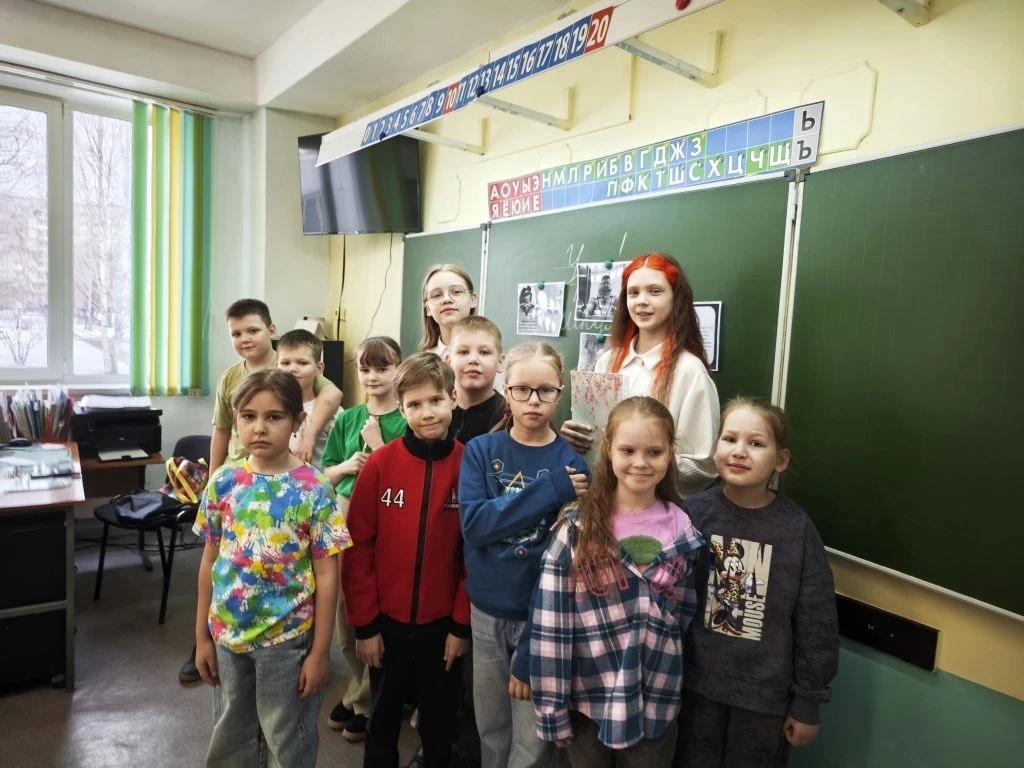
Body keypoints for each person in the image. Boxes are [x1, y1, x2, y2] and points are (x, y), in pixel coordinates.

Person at [530, 396, 704, 767]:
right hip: (588, 700)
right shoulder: (577, 527)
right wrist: (552, 709)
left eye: (654, 452)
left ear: (670, 454)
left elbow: (684, 613)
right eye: (628, 450)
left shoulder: (682, 527)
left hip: (654, 700)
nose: (640, 462)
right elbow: (551, 625)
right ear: (608, 449)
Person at [192, 369, 351, 768]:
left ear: (297, 421)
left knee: (287, 735)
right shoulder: (223, 482)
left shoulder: (314, 487)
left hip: (288, 641)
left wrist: (320, 653)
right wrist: (201, 637)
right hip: (228, 635)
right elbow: (210, 560)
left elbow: (327, 575)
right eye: (248, 416)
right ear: (236, 419)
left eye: (274, 417)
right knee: (231, 733)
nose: (259, 428)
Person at [180, 298, 343, 684]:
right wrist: (215, 475)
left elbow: (331, 393)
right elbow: (221, 429)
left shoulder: (288, 363)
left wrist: (307, 437)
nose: (244, 338)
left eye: (252, 330)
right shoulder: (230, 378)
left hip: (285, 483)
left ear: (271, 331)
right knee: (229, 559)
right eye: (236, 333)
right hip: (238, 483)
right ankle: (208, 638)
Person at [678, 397, 839, 767]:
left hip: (763, 701)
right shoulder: (692, 514)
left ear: (780, 460)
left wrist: (807, 702)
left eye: (755, 443)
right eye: (729, 439)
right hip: (694, 689)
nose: (739, 451)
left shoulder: (796, 529)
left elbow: (817, 624)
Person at [459, 342, 590, 768]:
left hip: (543, 618)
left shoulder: (574, 467)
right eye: (522, 390)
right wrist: (549, 491)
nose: (534, 401)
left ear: (560, 391)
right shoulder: (481, 451)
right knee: (491, 728)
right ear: (506, 389)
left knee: (532, 743)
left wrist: (533, 644)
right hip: (486, 612)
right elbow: (476, 526)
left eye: (545, 391)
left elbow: (567, 567)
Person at [343, 353, 471, 768]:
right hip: (386, 626)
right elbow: (358, 547)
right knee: (381, 723)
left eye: (435, 400)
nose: (426, 412)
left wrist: (460, 625)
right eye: (414, 404)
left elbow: (473, 554)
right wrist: (365, 626)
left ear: (453, 399)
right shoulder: (381, 464)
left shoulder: (469, 464)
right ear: (400, 409)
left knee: (438, 725)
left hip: (443, 630)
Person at [562, 253, 720, 497]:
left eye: (655, 291)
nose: (641, 301)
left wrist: (641, 463)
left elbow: (702, 466)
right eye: (633, 293)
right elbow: (599, 438)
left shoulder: (689, 371)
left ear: (676, 299)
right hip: (603, 499)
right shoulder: (608, 360)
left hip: (658, 506)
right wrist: (578, 437)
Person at [321, 336, 407, 743]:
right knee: (346, 610)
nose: (372, 377)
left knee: (379, 606)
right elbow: (325, 473)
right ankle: (358, 688)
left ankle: (369, 699)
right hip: (346, 510)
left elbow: (406, 479)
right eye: (365, 369)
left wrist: (379, 448)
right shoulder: (348, 418)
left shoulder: (407, 419)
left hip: (389, 518)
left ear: (398, 369)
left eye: (382, 368)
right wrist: (345, 466)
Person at [278, 328, 340, 468]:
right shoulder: (269, 407)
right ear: (276, 366)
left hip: (318, 479)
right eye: (285, 363)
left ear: (319, 368)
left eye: (302, 363)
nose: (292, 369)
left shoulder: (334, 412)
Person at [447, 316, 508, 443]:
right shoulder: (436, 409)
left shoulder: (509, 416)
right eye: (463, 352)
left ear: (500, 362)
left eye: (484, 352)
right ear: (448, 361)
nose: (473, 359)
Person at [419, 264, 478, 357]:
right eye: (436, 295)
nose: (446, 299)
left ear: (473, 299)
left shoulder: (492, 359)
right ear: (428, 309)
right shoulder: (422, 363)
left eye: (456, 292)